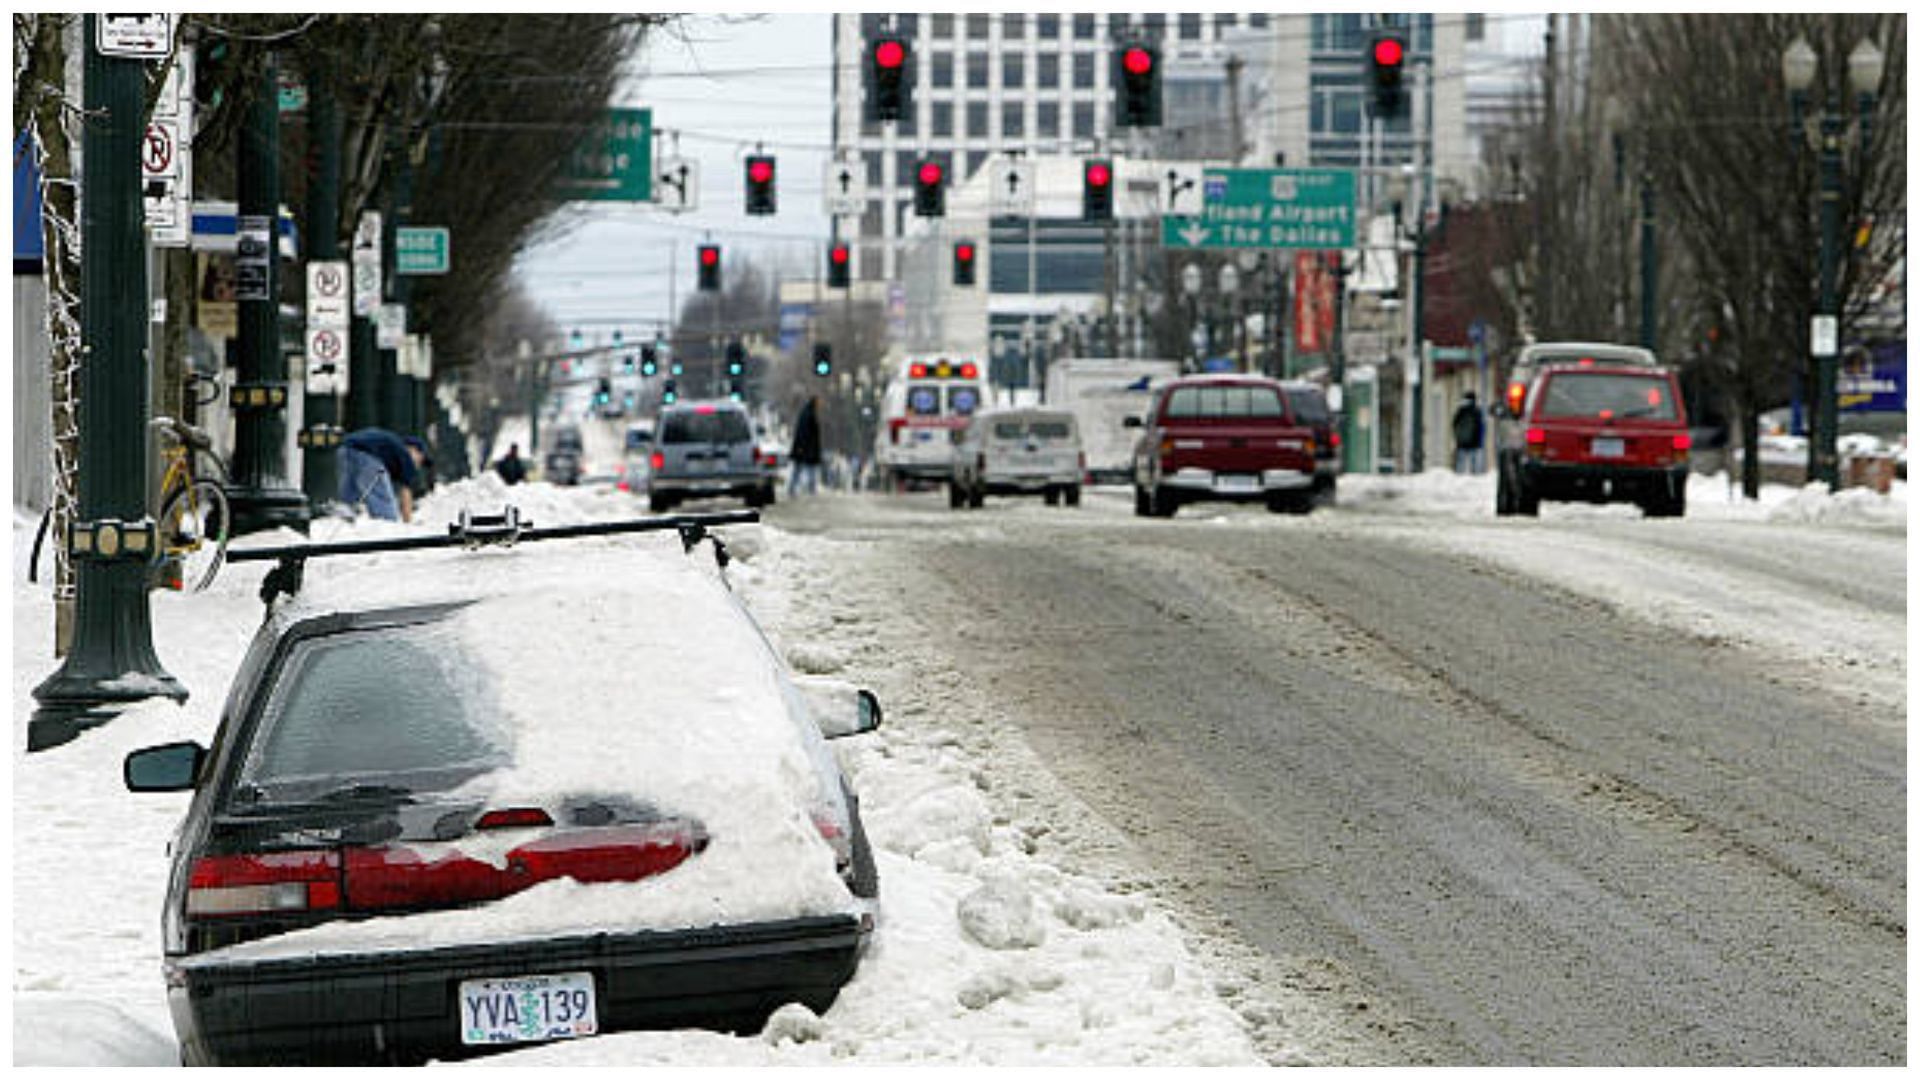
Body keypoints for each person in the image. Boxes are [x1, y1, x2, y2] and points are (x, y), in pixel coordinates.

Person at [338, 427, 429, 522]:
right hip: (367, 456)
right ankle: (388, 527)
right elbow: (405, 492)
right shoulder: (404, 454)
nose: (418, 466)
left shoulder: (390, 445)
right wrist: (408, 521)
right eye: (420, 460)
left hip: (344, 450)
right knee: (385, 508)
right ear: (413, 449)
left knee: (349, 502)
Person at [789, 395, 823, 496]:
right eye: (818, 403)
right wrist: (801, 447)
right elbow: (803, 432)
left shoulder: (807, 413)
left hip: (806, 447)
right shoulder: (808, 414)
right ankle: (808, 489)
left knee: (801, 468)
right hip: (806, 447)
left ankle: (804, 488)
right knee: (802, 468)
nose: (820, 405)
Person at [1452, 391, 1486, 474]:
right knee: (1475, 468)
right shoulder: (1477, 411)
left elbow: (1454, 425)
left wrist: (1458, 438)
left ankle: (1458, 478)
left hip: (1462, 443)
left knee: (1460, 467)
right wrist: (1480, 442)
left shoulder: (1460, 411)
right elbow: (1481, 428)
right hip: (1475, 443)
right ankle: (1475, 479)